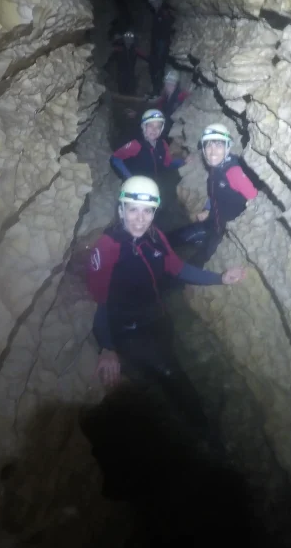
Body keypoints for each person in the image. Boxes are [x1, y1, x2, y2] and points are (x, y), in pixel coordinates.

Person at [86, 176, 247, 433]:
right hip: (127, 328)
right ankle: (205, 432)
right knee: (172, 374)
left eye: (147, 211)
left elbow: (178, 268)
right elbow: (99, 302)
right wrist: (106, 347)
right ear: (121, 210)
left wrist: (220, 278)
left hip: (156, 315)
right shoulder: (106, 249)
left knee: (167, 357)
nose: (140, 218)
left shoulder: (155, 236)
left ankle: (158, 386)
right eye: (133, 210)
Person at [169, 123, 258, 267]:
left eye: (218, 145)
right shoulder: (215, 167)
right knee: (179, 236)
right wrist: (208, 210)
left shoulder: (233, 172)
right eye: (208, 146)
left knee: (200, 260)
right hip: (213, 219)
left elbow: (254, 200)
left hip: (224, 231)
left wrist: (240, 229)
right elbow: (215, 195)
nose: (212, 151)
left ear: (227, 148)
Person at [109, 109, 185, 181]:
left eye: (158, 127)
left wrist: (183, 162)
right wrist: (129, 177)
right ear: (144, 127)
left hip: (155, 183)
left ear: (161, 130)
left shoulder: (163, 144)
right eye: (150, 126)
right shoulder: (136, 145)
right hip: (137, 185)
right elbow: (115, 158)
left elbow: (168, 163)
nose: (154, 130)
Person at [146, 0, 174, 97]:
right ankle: (157, 91)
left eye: (156, 1)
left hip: (162, 43)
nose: (154, 3)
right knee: (154, 66)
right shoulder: (157, 12)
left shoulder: (164, 11)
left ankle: (158, 92)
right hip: (157, 42)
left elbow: (168, 26)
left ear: (160, 0)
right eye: (152, 2)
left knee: (158, 67)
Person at [106, 27, 144, 96]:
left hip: (130, 71)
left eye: (130, 39)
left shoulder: (134, 49)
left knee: (129, 82)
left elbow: (143, 55)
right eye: (127, 39)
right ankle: (123, 95)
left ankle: (129, 95)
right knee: (122, 82)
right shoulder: (119, 49)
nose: (128, 41)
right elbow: (111, 57)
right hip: (122, 71)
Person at [154, 69, 189, 137]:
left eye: (172, 84)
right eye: (168, 83)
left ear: (176, 85)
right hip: (165, 127)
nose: (169, 86)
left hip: (172, 131)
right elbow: (157, 112)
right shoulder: (165, 98)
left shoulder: (181, 97)